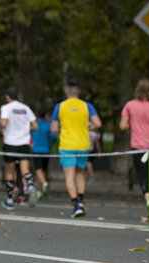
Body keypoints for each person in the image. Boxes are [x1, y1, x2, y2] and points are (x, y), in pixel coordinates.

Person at [51, 80, 102, 218]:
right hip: (83, 145)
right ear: (78, 92)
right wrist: (86, 128)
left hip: (67, 145)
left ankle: (76, 205)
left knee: (69, 176)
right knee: (80, 173)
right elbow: (98, 123)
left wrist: (65, 128)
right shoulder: (87, 106)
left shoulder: (59, 107)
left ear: (66, 91)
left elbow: (54, 129)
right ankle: (81, 200)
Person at [120, 78, 149, 218]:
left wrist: (131, 125)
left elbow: (122, 126)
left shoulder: (130, 105)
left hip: (138, 145)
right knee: (147, 171)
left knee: (142, 174)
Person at [0, 87, 38, 210]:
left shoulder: (6, 108)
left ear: (7, 97)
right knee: (25, 170)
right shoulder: (25, 108)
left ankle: (10, 200)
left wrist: (1, 125)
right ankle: (31, 186)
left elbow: (4, 123)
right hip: (24, 143)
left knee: (9, 172)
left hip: (10, 143)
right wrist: (25, 129)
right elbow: (35, 126)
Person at [30, 111, 57, 200]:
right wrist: (50, 143)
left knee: (38, 169)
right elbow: (54, 137)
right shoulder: (48, 126)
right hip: (46, 150)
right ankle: (40, 191)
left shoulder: (34, 126)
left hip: (36, 150)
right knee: (43, 171)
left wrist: (31, 144)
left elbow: (29, 137)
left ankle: (44, 183)